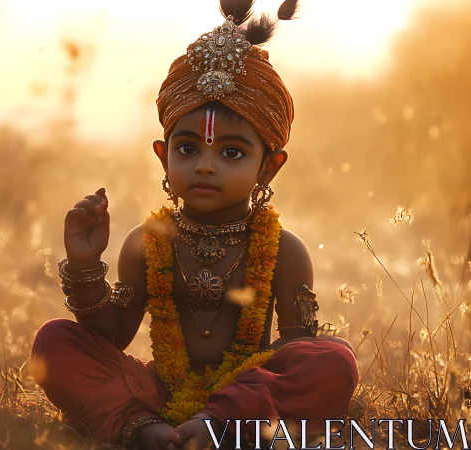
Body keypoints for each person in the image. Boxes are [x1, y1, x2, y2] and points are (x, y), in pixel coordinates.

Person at [30, 1, 359, 448]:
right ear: (163, 157)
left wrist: (243, 398)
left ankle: (216, 428)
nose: (205, 167)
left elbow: (295, 349)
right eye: (187, 150)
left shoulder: (284, 250)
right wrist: (86, 266)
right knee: (55, 342)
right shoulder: (147, 242)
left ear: (270, 168)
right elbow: (112, 336)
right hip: (158, 394)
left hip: (242, 399)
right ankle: (148, 431)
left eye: (231, 153)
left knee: (332, 360)